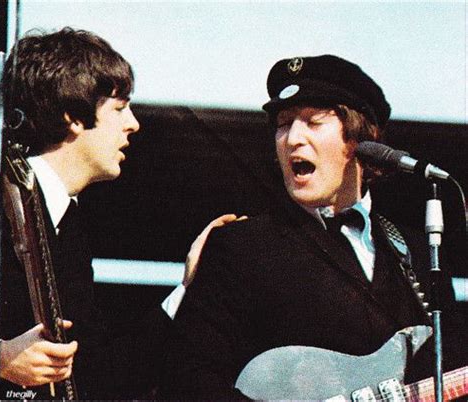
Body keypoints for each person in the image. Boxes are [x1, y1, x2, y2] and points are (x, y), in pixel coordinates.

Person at [160, 55, 468, 399]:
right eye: (284, 123)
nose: (292, 139)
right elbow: (187, 382)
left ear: (360, 141)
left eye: (312, 122)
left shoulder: (421, 253)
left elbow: (450, 373)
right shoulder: (242, 246)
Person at [0, 27, 241, 400]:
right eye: (119, 107)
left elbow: (102, 377)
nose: (133, 123)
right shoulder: (0, 205)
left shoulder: (68, 228)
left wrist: (187, 287)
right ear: (73, 117)